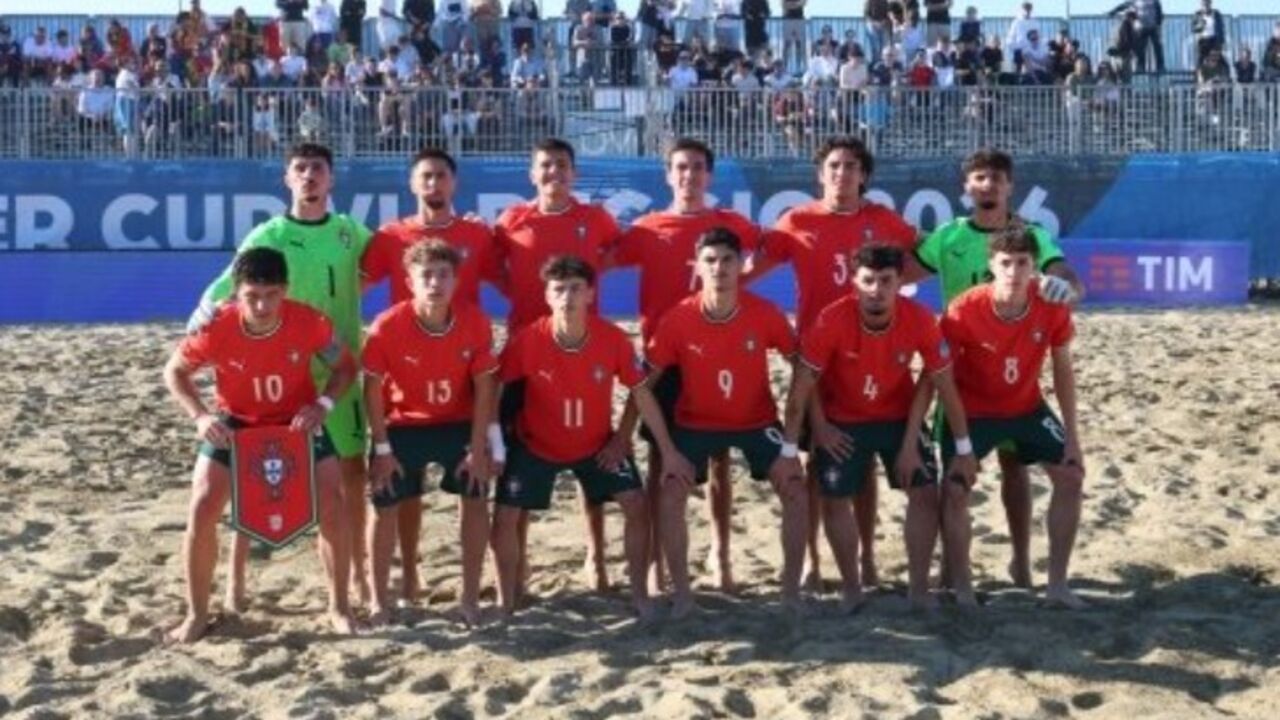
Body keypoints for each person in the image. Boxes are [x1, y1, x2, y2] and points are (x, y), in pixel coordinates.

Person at [190, 144, 374, 612]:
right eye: (300, 169)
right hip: (278, 372)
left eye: (318, 169)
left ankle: (358, 583)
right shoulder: (267, 234)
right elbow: (232, 283)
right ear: (286, 179)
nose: (309, 176)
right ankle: (234, 584)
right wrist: (203, 310)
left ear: (332, 179)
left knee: (350, 477)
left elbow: (393, 262)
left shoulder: (351, 232)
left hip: (334, 371)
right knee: (252, 476)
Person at [747, 137, 922, 591]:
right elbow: (751, 271)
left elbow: (925, 259)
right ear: (819, 173)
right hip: (815, 361)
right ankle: (810, 561)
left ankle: (865, 559)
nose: (841, 173)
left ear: (864, 175)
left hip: (869, 357)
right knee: (812, 466)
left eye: (851, 166)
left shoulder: (883, 220)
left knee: (859, 466)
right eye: (833, 165)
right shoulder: (797, 220)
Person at [163, 247, 360, 643]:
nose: (262, 305)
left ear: (284, 290)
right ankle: (198, 614)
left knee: (333, 502)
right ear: (236, 293)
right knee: (202, 505)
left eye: (271, 295)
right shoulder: (217, 326)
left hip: (295, 423)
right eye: (252, 295)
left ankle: (339, 607)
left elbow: (346, 367)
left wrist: (322, 404)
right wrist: (200, 417)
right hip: (235, 423)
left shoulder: (308, 322)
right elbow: (175, 372)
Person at [609, 138, 780, 594]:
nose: (689, 176)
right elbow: (598, 260)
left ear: (710, 175)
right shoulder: (646, 228)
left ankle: (721, 554)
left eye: (698, 168)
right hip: (663, 358)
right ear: (668, 174)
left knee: (721, 462)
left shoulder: (732, 224)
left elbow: (776, 247)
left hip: (719, 350)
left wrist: (741, 283)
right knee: (661, 462)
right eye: (681, 168)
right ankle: (655, 562)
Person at [914, 148, 1084, 591]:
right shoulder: (948, 237)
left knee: (1016, 469)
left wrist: (1065, 286)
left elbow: (1068, 279)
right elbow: (902, 273)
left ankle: (1023, 564)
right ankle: (956, 577)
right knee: (959, 481)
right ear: (966, 187)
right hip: (966, 373)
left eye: (996, 179)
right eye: (979, 179)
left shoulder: (1031, 237)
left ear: (1011, 187)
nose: (988, 186)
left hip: (1017, 374)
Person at [492, 255, 691, 618]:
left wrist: (663, 449)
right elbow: (494, 393)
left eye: (575, 288)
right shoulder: (527, 341)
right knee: (505, 515)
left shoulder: (612, 339)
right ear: (547, 296)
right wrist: (491, 444)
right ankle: (506, 602)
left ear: (590, 294)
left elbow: (641, 393)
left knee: (635, 502)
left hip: (596, 445)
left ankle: (639, 596)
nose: (567, 296)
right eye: (559, 289)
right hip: (536, 445)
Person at [778, 244, 975, 610]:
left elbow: (944, 387)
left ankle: (918, 590)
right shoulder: (831, 319)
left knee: (923, 491)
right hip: (843, 422)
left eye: (886, 281)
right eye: (868, 280)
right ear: (854, 282)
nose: (877, 289)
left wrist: (962, 449)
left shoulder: (919, 319)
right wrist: (806, 438)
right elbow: (800, 389)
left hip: (898, 419)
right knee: (833, 497)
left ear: (901, 281)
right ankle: (852, 588)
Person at [646, 228, 807, 618]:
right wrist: (666, 451)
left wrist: (789, 444)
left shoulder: (765, 312)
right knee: (669, 492)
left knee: (795, 487)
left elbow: (801, 371)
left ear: (741, 266)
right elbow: (641, 386)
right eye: (711, 261)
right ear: (697, 267)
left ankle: (790, 594)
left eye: (728, 260)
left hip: (756, 422)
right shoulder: (677, 319)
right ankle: (683, 596)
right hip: (695, 424)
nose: (719, 268)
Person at [492, 138, 626, 591]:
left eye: (562, 166)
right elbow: (494, 267)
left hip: (582, 349)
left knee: (591, 448)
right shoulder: (512, 220)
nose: (554, 173)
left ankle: (596, 556)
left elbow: (613, 252)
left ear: (575, 174)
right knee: (521, 458)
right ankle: (521, 561)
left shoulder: (595, 218)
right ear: (533, 175)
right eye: (546, 166)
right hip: (526, 355)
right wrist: (519, 297)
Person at [939, 226, 1086, 608]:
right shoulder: (964, 309)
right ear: (991, 265)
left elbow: (1063, 369)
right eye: (1006, 263)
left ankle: (1056, 586)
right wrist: (963, 444)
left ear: (1034, 266)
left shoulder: (1050, 303)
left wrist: (1072, 436)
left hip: (1025, 407)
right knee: (955, 488)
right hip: (973, 411)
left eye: (1023, 263)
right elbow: (943, 379)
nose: (1014, 271)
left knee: (1071, 476)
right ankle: (964, 590)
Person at [362, 240, 498, 627]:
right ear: (410, 282)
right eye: (426, 275)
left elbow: (486, 387)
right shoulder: (388, 325)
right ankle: (378, 600)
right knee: (385, 501)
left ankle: (469, 597)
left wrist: (477, 446)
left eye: (443, 275)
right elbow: (370, 389)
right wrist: (382, 448)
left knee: (474, 494)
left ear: (456, 280)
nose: (435, 283)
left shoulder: (474, 321)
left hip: (456, 422)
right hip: (403, 425)